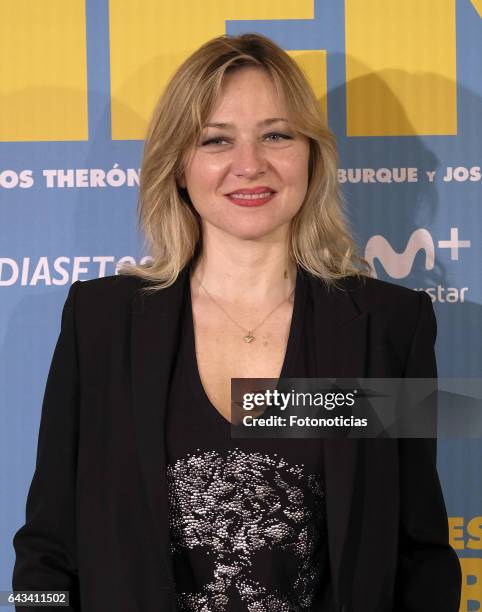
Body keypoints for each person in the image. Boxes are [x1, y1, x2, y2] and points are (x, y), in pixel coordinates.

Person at [12, 33, 461, 612]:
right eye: (215, 140)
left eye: (276, 135)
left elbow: (419, 551)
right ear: (178, 165)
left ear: (311, 154)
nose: (249, 165)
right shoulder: (99, 323)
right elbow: (46, 550)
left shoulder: (388, 326)